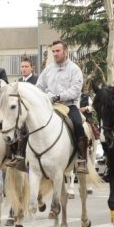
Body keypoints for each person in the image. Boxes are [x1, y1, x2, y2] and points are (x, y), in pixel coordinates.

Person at [36, 40, 88, 174]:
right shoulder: (47, 70)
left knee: (77, 124)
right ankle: (21, 156)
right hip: (49, 106)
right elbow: (38, 87)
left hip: (68, 106)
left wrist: (58, 96)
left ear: (65, 51)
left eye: (57, 51)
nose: (55, 54)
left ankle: (82, 159)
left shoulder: (75, 69)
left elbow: (75, 90)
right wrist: (44, 96)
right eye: (53, 51)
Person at [6, 57, 38, 168]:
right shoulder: (17, 82)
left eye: (26, 67)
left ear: (32, 68)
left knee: (23, 129)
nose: (23, 69)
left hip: (33, 114)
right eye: (22, 67)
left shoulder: (37, 81)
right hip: (19, 114)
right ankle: (10, 155)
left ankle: (20, 155)